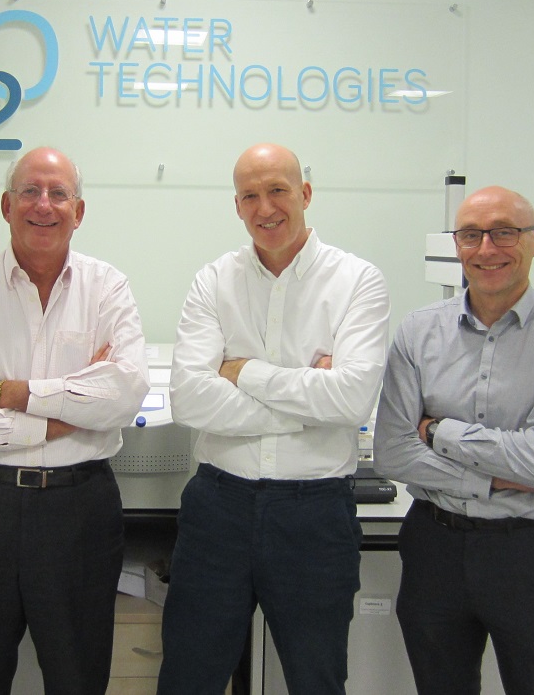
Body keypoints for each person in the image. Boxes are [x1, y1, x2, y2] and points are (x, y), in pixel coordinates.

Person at [158, 143, 391, 694]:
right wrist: (311, 402)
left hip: (313, 516)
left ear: (305, 194)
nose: (266, 208)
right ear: (236, 206)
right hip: (219, 507)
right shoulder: (213, 281)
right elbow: (190, 401)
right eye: (250, 196)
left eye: (278, 190)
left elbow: (353, 400)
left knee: (317, 679)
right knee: (188, 678)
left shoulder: (357, 281)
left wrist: (243, 371)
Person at [0, 147, 150, 695]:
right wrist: (65, 414)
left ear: (79, 210)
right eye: (30, 191)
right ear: (6, 205)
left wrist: (18, 393)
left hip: (78, 510)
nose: (43, 205)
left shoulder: (109, 288)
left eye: (58, 193)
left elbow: (124, 395)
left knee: (78, 679)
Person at [373, 186, 534, 695]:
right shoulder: (418, 331)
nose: (486, 250)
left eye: (505, 232)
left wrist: (438, 432)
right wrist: (494, 477)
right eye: (471, 235)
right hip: (433, 546)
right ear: (455, 244)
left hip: (526, 553)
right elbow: (392, 450)